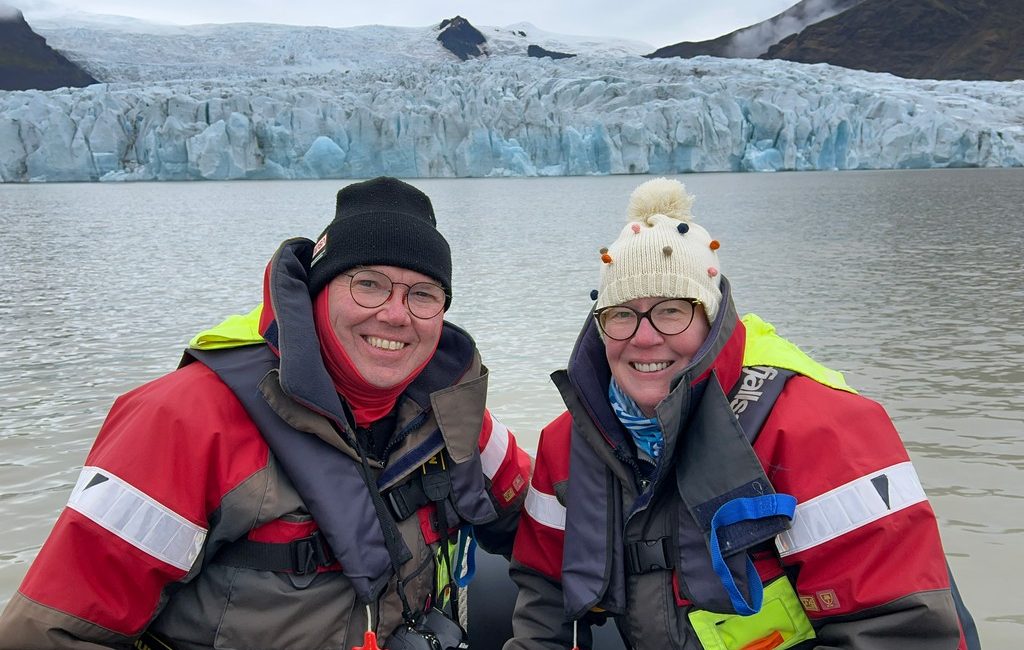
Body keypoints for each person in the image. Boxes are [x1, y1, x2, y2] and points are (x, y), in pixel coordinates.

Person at [0, 176, 532, 649]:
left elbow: (545, 514)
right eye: (367, 283)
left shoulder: (450, 416)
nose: (394, 314)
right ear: (320, 292)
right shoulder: (185, 420)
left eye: (423, 293)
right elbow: (49, 632)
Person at [504, 178, 979, 650]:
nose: (644, 338)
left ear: (712, 320)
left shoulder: (818, 429)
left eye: (672, 310)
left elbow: (900, 632)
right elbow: (546, 599)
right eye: (621, 313)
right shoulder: (568, 443)